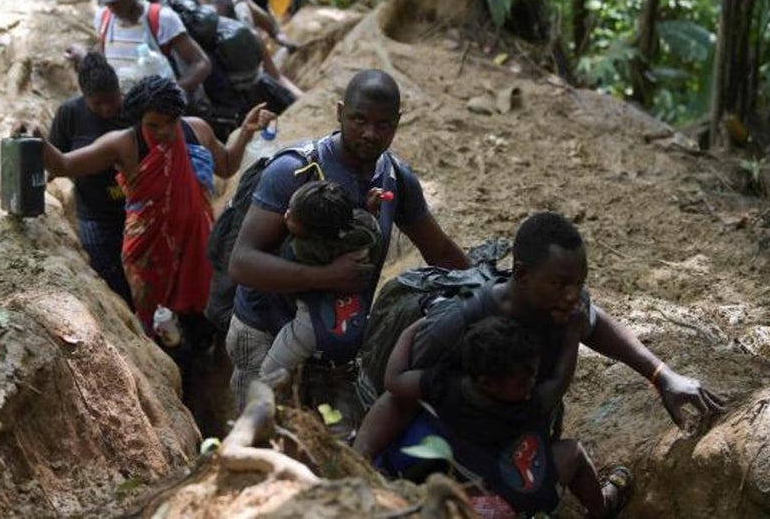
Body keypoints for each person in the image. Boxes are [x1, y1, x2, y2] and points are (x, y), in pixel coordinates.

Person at [354, 213, 724, 508]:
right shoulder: (457, 321)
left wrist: (662, 375)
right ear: (522, 276)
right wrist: (357, 467)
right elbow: (397, 395)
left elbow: (596, 325)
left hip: (513, 434)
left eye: (580, 283)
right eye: (561, 284)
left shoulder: (563, 309)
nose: (573, 295)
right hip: (447, 441)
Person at [226, 69, 469, 430]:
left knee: (337, 452)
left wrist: (487, 292)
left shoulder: (395, 179)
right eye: (359, 120)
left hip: (332, 342)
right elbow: (242, 263)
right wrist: (324, 276)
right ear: (339, 113)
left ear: (397, 124)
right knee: (262, 435)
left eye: (383, 124)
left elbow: (439, 250)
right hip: (264, 331)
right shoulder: (295, 170)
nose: (370, 133)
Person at [17, 76, 274, 339]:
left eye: (170, 123)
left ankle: (201, 359)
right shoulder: (123, 144)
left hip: (196, 242)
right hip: (148, 253)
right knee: (158, 325)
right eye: (153, 125)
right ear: (139, 119)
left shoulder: (197, 130)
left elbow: (228, 165)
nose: (163, 131)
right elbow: (64, 165)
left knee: (201, 315)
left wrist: (245, 131)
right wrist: (40, 140)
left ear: (179, 115)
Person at [383, 314, 630, 518]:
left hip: (462, 501)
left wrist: (410, 331)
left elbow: (393, 380)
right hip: (508, 504)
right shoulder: (526, 406)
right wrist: (572, 336)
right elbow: (559, 383)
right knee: (573, 453)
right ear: (488, 383)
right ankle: (603, 510)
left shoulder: (445, 386)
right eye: (524, 381)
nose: (532, 383)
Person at [258, 181, 383, 381]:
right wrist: (369, 209)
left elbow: (282, 277)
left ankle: (276, 404)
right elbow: (368, 225)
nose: (287, 214)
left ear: (314, 234)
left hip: (311, 323)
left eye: (293, 216)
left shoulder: (301, 251)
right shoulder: (365, 228)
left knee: (269, 373)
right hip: (353, 309)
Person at [46, 52, 131, 306]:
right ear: (84, 97)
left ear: (119, 91)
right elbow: (53, 158)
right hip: (95, 214)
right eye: (98, 104)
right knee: (110, 278)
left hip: (137, 211)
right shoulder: (70, 114)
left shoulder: (134, 110)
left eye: (112, 100)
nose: (107, 109)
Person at [86, 0, 210, 95]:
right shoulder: (103, 19)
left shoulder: (162, 19)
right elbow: (105, 56)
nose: (112, 7)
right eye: (108, 2)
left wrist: (172, 92)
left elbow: (201, 63)